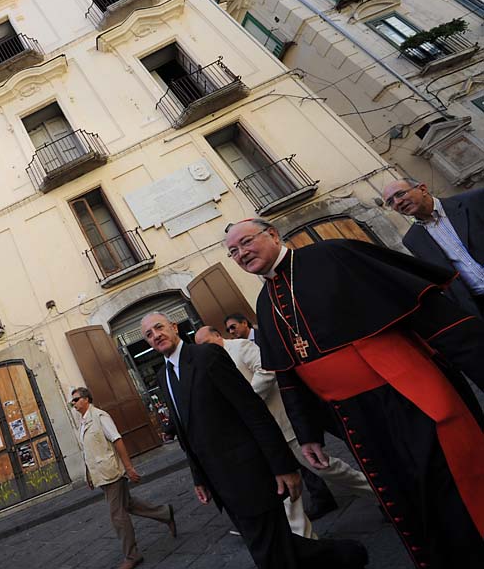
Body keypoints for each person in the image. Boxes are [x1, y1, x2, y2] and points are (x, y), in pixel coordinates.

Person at [225, 218, 484, 569]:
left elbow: (426, 312)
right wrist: (308, 435)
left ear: (272, 234)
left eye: (245, 242)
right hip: (356, 417)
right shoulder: (264, 302)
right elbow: (288, 376)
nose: (241, 253)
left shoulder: (333, 255)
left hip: (404, 395)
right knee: (404, 496)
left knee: (445, 482)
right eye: (233, 251)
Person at [140, 312, 368, 569]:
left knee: (268, 551)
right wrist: (199, 478)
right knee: (277, 546)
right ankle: (348, 554)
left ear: (174, 327)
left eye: (159, 327)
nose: (156, 335)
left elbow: (251, 409)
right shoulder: (164, 375)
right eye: (148, 334)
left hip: (249, 471)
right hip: (221, 483)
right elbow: (187, 431)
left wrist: (282, 466)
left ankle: (347, 554)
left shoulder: (207, 356)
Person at [195, 326, 373, 537]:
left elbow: (267, 370)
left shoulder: (241, 347)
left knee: (325, 468)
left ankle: (378, 492)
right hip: (263, 436)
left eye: (207, 343)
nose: (205, 350)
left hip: (283, 426)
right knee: (284, 488)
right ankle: (305, 538)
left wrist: (248, 400)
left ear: (217, 335)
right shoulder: (214, 362)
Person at [225, 314, 342, 520]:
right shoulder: (233, 352)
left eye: (233, 327)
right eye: (228, 330)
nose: (231, 332)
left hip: (301, 398)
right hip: (281, 413)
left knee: (333, 437)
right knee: (302, 458)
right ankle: (320, 497)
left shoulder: (263, 338)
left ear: (244, 323)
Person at [71, 386, 176, 569]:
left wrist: (128, 467)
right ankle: (165, 513)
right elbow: (88, 451)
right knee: (128, 504)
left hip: (112, 473)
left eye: (76, 399)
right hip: (101, 474)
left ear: (86, 399)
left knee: (117, 515)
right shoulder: (82, 422)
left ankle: (132, 555)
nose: (73, 403)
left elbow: (117, 440)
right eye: (72, 401)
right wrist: (89, 474)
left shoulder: (100, 416)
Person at [382, 178, 484, 317]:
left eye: (400, 194)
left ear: (423, 189)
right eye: (390, 202)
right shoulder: (412, 240)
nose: (397, 202)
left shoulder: (473, 201)